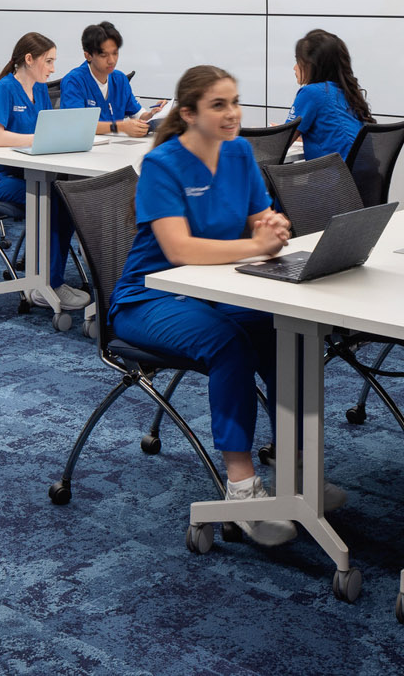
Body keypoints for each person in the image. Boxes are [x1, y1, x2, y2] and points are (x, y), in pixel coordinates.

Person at [108, 65, 296, 545]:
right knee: (229, 345)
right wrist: (257, 246)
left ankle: (299, 476)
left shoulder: (239, 153)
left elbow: (259, 217)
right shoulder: (163, 165)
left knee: (282, 333)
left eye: (235, 102)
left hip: (213, 291)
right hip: (148, 297)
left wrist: (271, 226)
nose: (232, 114)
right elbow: (180, 251)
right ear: (188, 114)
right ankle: (242, 487)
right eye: (219, 105)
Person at [0, 32, 86, 312]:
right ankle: (47, 285)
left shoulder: (41, 89)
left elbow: (46, 128)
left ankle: (50, 281)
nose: (53, 69)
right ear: (29, 59)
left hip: (24, 173)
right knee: (55, 203)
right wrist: (35, 138)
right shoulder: (6, 88)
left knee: (64, 200)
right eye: (49, 61)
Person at [58, 20, 163, 137]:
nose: (111, 60)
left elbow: (138, 114)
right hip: (85, 150)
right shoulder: (74, 81)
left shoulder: (120, 79)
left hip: (114, 147)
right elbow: (77, 124)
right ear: (88, 56)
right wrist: (120, 127)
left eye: (115, 53)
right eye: (104, 55)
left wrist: (153, 115)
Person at [286, 28, 373, 162]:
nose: (294, 67)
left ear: (311, 64)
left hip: (334, 179)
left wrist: (262, 135)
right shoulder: (345, 91)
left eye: (298, 61)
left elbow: (281, 143)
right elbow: (332, 134)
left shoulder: (311, 93)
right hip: (362, 179)